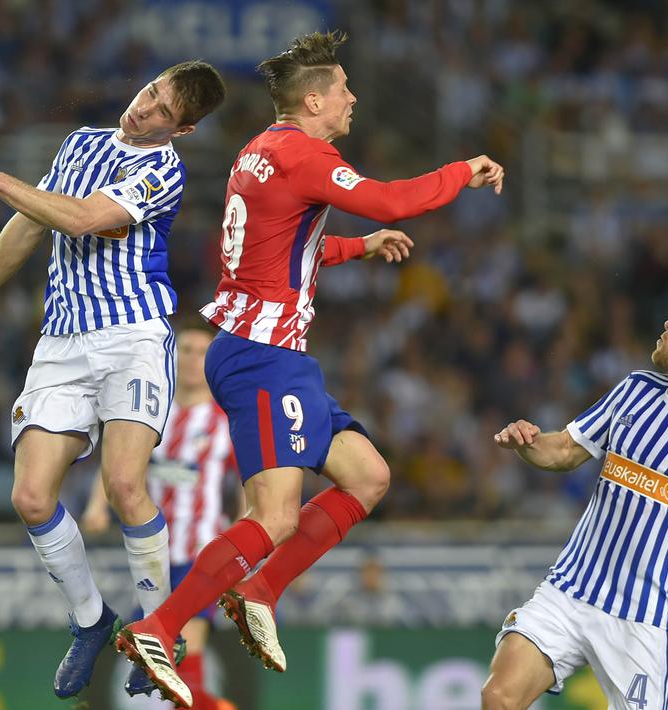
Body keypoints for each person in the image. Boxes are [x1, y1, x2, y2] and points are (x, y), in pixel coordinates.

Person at [115, 31, 505, 707]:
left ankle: (259, 589)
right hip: (266, 360)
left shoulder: (258, 154)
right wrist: (462, 170)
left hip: (265, 354)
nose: (353, 98)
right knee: (273, 519)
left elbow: (283, 250)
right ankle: (161, 627)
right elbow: (391, 199)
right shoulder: (304, 154)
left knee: (367, 475)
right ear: (316, 99)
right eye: (345, 89)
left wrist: (357, 247)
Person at [0, 61, 226, 698]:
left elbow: (85, 219)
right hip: (63, 341)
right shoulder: (80, 143)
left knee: (124, 484)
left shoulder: (161, 171)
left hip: (134, 338)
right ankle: (92, 621)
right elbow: (32, 221)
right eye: (148, 92)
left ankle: (159, 633)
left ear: (184, 129)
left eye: (160, 111)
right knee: (31, 498)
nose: (142, 109)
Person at [482, 286, 668, 710]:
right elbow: (565, 450)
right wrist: (526, 442)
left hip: (641, 617)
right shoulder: (633, 390)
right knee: (498, 697)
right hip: (569, 589)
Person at [82, 324, 240, 709]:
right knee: (160, 659)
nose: (190, 359)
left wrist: (243, 538)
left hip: (201, 553)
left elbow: (250, 488)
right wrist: (96, 506)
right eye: (184, 349)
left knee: (187, 647)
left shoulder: (226, 423)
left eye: (201, 352)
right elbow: (121, 465)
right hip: (152, 555)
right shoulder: (154, 411)